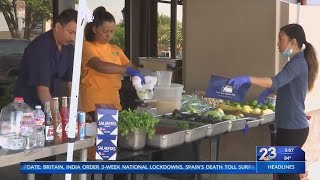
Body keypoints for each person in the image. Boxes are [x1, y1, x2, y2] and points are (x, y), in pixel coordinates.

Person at [228, 24, 318, 180]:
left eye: (281, 39)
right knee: (284, 172)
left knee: (286, 175)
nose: (278, 43)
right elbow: (284, 84)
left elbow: (276, 81)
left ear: (293, 42)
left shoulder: (297, 63)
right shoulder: (296, 62)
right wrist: (267, 91)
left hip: (292, 129)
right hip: (290, 127)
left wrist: (248, 79)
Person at [14, 9, 77, 180]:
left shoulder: (69, 49)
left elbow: (71, 84)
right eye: (70, 32)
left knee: (49, 155)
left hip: (50, 107)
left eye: (75, 34)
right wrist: (58, 119)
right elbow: (42, 90)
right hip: (30, 108)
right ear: (57, 26)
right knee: (35, 156)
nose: (72, 37)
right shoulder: (40, 47)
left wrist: (75, 113)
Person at [80, 6, 145, 120]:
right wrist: (125, 70)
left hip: (114, 103)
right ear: (94, 29)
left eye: (112, 31)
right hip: (93, 104)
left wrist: (139, 75)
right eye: (105, 31)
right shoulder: (87, 47)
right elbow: (99, 65)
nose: (109, 35)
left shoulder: (116, 49)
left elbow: (131, 67)